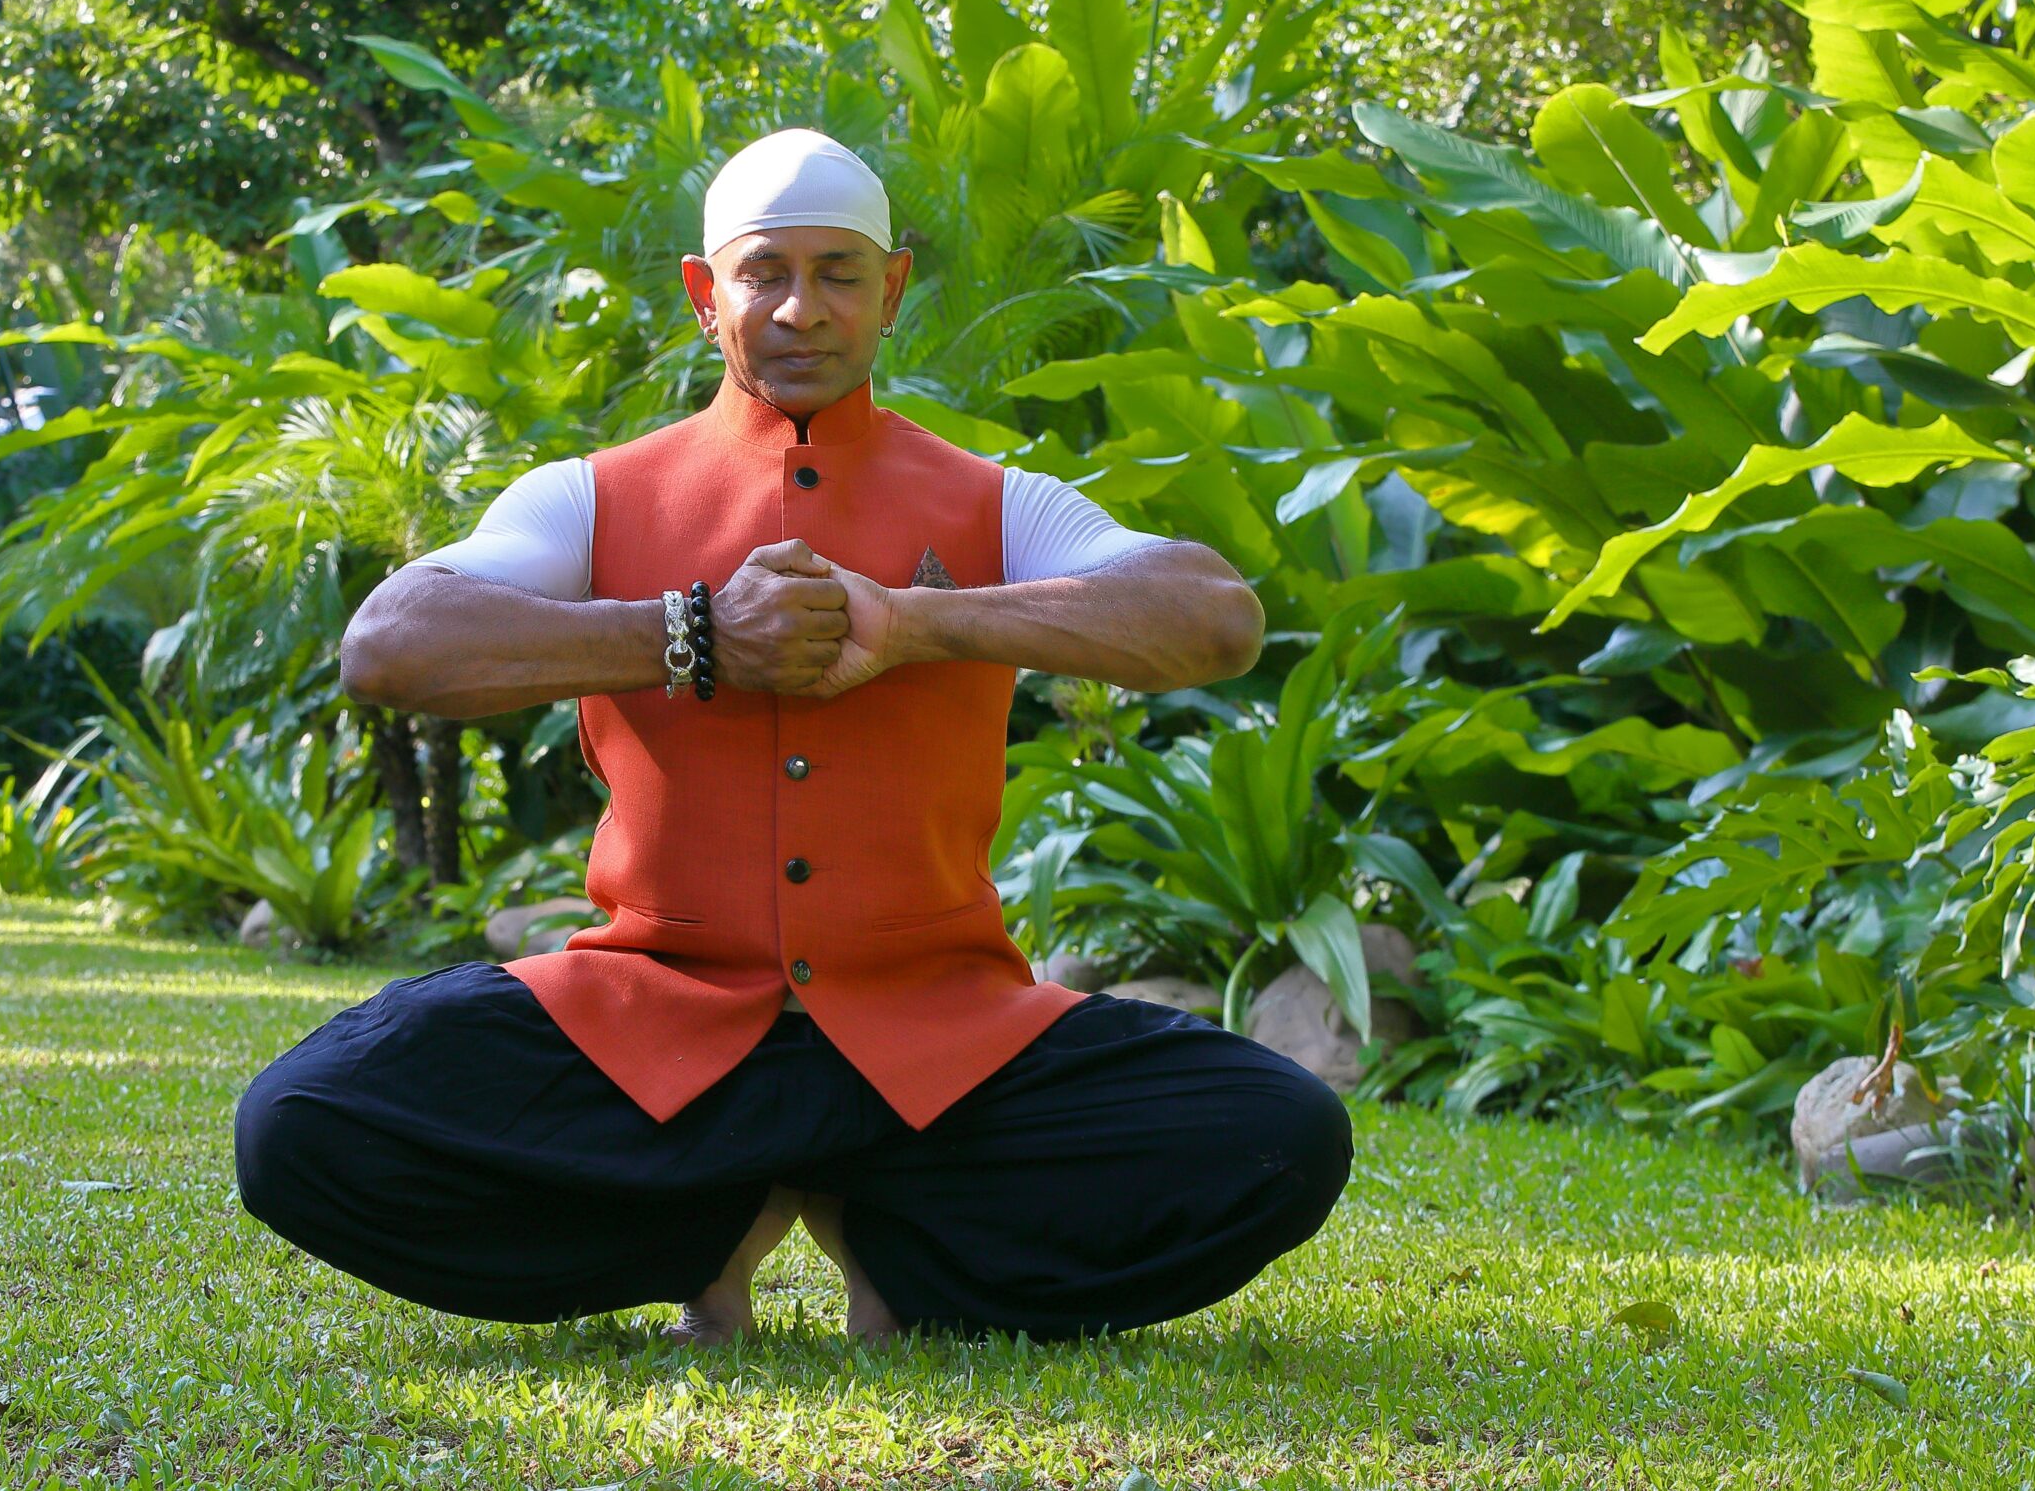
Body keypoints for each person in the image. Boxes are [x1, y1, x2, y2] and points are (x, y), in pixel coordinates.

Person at [234, 128, 1351, 1345]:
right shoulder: (588, 495)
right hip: (654, 1013)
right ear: (706, 294)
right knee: (301, 1124)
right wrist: (694, 636)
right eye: (766, 272)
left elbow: (1214, 618)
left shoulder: (996, 500)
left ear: (894, 289)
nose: (802, 309)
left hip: (943, 1025)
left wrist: (911, 620)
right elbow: (391, 643)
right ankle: (700, 1233)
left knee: (1279, 1135)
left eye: (838, 273)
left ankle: (899, 1253)